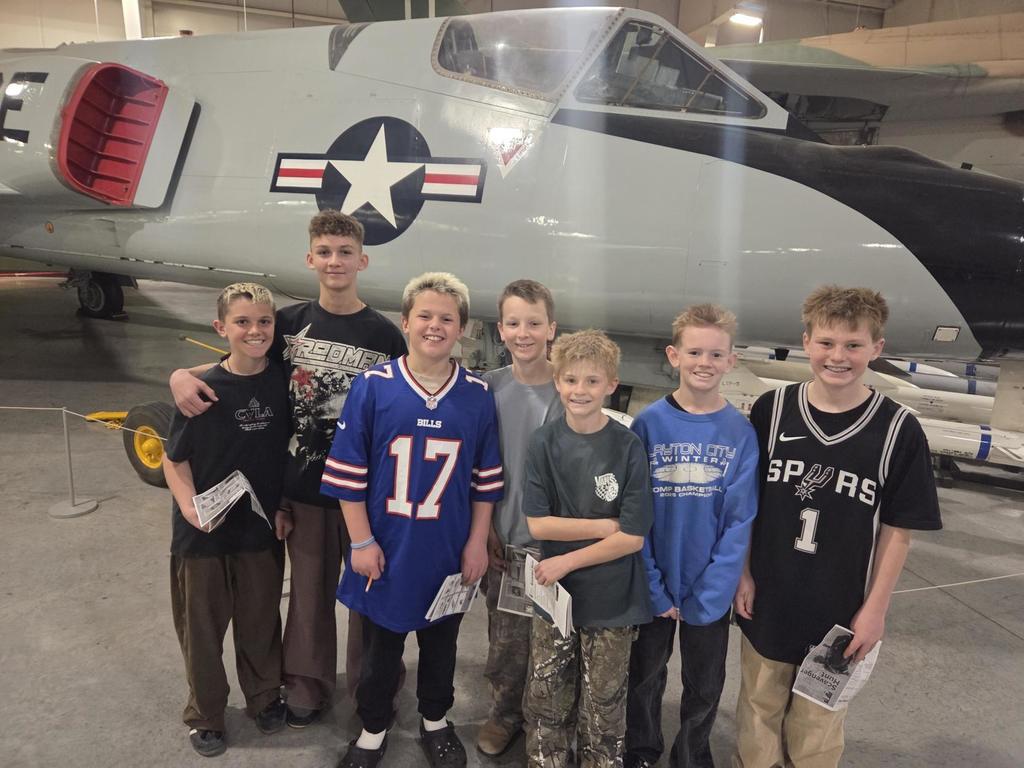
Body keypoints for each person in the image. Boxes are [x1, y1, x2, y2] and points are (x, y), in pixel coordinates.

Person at [169, 210, 406, 727]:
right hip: (303, 491)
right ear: (310, 258)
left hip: (366, 495)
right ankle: (305, 686)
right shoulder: (288, 325)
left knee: (370, 596)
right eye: (325, 252)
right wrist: (180, 375)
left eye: (345, 252)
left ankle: (374, 686)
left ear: (362, 261)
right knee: (308, 598)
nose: (335, 261)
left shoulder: (385, 335)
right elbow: (239, 363)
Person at [732, 285, 942, 768]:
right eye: (826, 342)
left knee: (818, 727)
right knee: (758, 709)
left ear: (877, 348)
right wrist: (742, 571)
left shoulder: (898, 430)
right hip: (769, 594)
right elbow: (746, 504)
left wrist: (876, 609)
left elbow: (898, 530)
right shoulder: (772, 410)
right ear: (806, 341)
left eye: (853, 344)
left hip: (840, 609)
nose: (838, 356)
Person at [320, 272, 504, 768]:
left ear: (462, 328)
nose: (434, 326)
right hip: (387, 544)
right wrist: (361, 542)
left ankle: (435, 720)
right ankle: (373, 727)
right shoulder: (373, 386)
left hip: (447, 547)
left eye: (447, 318)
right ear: (405, 321)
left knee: (442, 643)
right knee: (380, 647)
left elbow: (485, 481)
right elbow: (349, 474)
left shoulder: (477, 394)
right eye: (424, 315)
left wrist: (477, 541)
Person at [625, 304, 759, 768]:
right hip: (653, 581)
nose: (705, 362)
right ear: (674, 355)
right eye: (695, 352)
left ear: (731, 361)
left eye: (716, 354)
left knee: (705, 684)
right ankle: (641, 749)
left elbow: (740, 520)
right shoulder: (648, 424)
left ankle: (692, 754)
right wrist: (652, 583)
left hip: (709, 586)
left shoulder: (740, 433)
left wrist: (715, 590)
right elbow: (634, 514)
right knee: (644, 675)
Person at [162, 282, 292, 757]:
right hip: (203, 536)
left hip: (259, 529)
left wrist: (282, 506)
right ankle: (206, 714)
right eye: (242, 322)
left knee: (261, 621)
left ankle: (264, 696)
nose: (254, 331)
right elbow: (173, 460)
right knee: (201, 630)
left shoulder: (283, 383)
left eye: (264, 321)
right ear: (221, 328)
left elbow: (285, 453)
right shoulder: (202, 391)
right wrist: (189, 507)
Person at [522, 329, 654, 768]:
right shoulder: (543, 443)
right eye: (571, 379)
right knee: (547, 697)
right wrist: (603, 526)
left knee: (604, 707)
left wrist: (567, 559)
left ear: (611, 385)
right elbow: (539, 523)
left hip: (612, 600)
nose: (580, 390)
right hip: (555, 597)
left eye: (592, 381)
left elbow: (633, 537)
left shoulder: (628, 446)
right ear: (557, 381)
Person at [477, 279, 561, 758]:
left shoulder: (571, 388)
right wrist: (485, 527)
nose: (523, 333)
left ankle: (547, 721)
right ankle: (505, 714)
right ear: (501, 329)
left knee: (554, 640)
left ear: (552, 328)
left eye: (534, 323)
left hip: (556, 545)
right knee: (506, 639)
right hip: (504, 537)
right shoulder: (488, 388)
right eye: (514, 323)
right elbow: (476, 465)